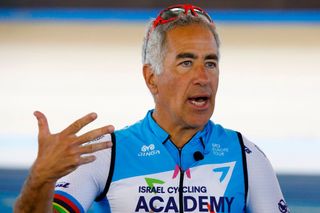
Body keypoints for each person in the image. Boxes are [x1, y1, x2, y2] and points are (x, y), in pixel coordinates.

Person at [14, 4, 289, 213]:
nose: (203, 77)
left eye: (210, 63)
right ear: (151, 77)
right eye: (186, 63)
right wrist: (40, 179)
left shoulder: (246, 157)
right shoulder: (105, 154)